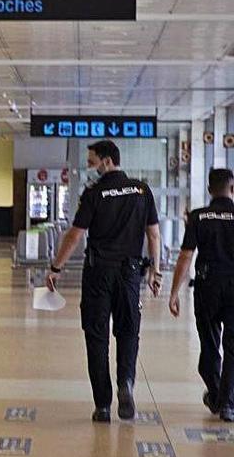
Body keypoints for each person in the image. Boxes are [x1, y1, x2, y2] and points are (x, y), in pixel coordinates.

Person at [46, 140, 161, 423]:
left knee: (96, 336)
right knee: (128, 331)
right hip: (130, 273)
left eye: (92, 162)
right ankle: (127, 382)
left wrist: (56, 267)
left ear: (107, 161)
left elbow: (75, 235)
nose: (90, 168)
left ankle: (103, 405)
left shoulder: (95, 192)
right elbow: (154, 234)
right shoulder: (142, 190)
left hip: (99, 273)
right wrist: (155, 271)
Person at [169, 168, 234, 422]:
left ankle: (217, 394)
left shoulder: (199, 216)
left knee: (209, 343)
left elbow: (186, 255)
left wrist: (174, 292)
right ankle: (227, 404)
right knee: (232, 347)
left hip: (207, 285)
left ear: (209, 190)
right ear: (232, 188)